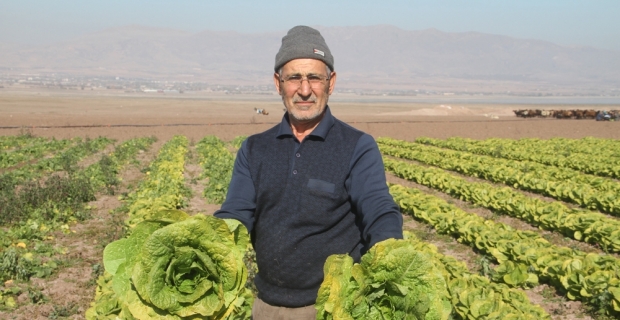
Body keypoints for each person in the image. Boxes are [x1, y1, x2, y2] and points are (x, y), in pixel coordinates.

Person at [214, 25, 403, 320]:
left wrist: (391, 255)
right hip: (266, 308)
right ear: (278, 83)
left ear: (331, 82)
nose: (305, 90)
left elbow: (378, 209)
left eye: (314, 77)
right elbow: (236, 214)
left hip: (333, 308)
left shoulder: (356, 146)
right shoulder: (255, 149)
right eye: (294, 78)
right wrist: (203, 242)